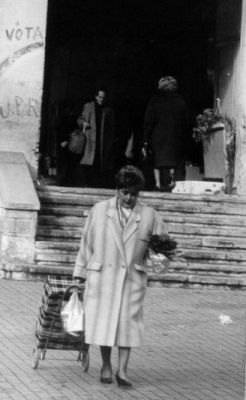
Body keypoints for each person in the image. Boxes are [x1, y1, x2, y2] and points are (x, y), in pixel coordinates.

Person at [73, 165, 168, 388]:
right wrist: (80, 275)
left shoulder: (149, 215)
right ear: (117, 190)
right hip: (102, 278)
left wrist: (158, 265)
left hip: (131, 279)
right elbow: (86, 243)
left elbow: (163, 246)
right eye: (125, 192)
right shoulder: (99, 210)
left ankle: (123, 371)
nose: (129, 198)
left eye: (134, 193)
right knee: (105, 324)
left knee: (127, 325)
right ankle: (106, 365)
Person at [142, 76, 189, 192]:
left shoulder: (155, 101)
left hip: (158, 138)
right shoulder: (181, 102)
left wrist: (145, 140)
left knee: (157, 162)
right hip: (175, 139)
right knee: (173, 161)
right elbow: (186, 123)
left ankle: (158, 184)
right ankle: (172, 183)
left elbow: (148, 121)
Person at [78, 87, 115, 188]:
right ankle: (87, 183)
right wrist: (83, 123)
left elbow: (111, 127)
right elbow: (80, 119)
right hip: (89, 139)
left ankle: (96, 184)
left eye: (103, 97)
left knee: (100, 163)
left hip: (102, 140)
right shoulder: (88, 106)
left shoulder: (108, 110)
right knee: (88, 162)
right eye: (100, 97)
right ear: (96, 96)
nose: (101, 99)